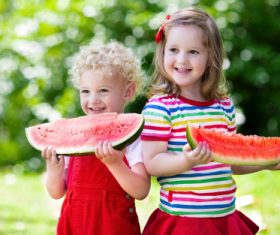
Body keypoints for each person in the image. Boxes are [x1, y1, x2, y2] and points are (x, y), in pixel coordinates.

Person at [141, 7, 280, 235]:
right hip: (185, 222)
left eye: (193, 52)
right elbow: (153, 163)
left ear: (210, 57)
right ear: (163, 52)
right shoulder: (160, 107)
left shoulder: (223, 106)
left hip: (224, 218)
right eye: (173, 50)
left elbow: (232, 162)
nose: (182, 59)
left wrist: (268, 161)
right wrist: (187, 160)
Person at [41, 41, 150, 235]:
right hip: (74, 224)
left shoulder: (132, 138)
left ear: (128, 92)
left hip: (114, 227)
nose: (93, 100)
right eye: (85, 91)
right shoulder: (73, 134)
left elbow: (141, 190)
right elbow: (56, 193)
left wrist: (116, 164)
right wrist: (54, 171)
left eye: (103, 90)